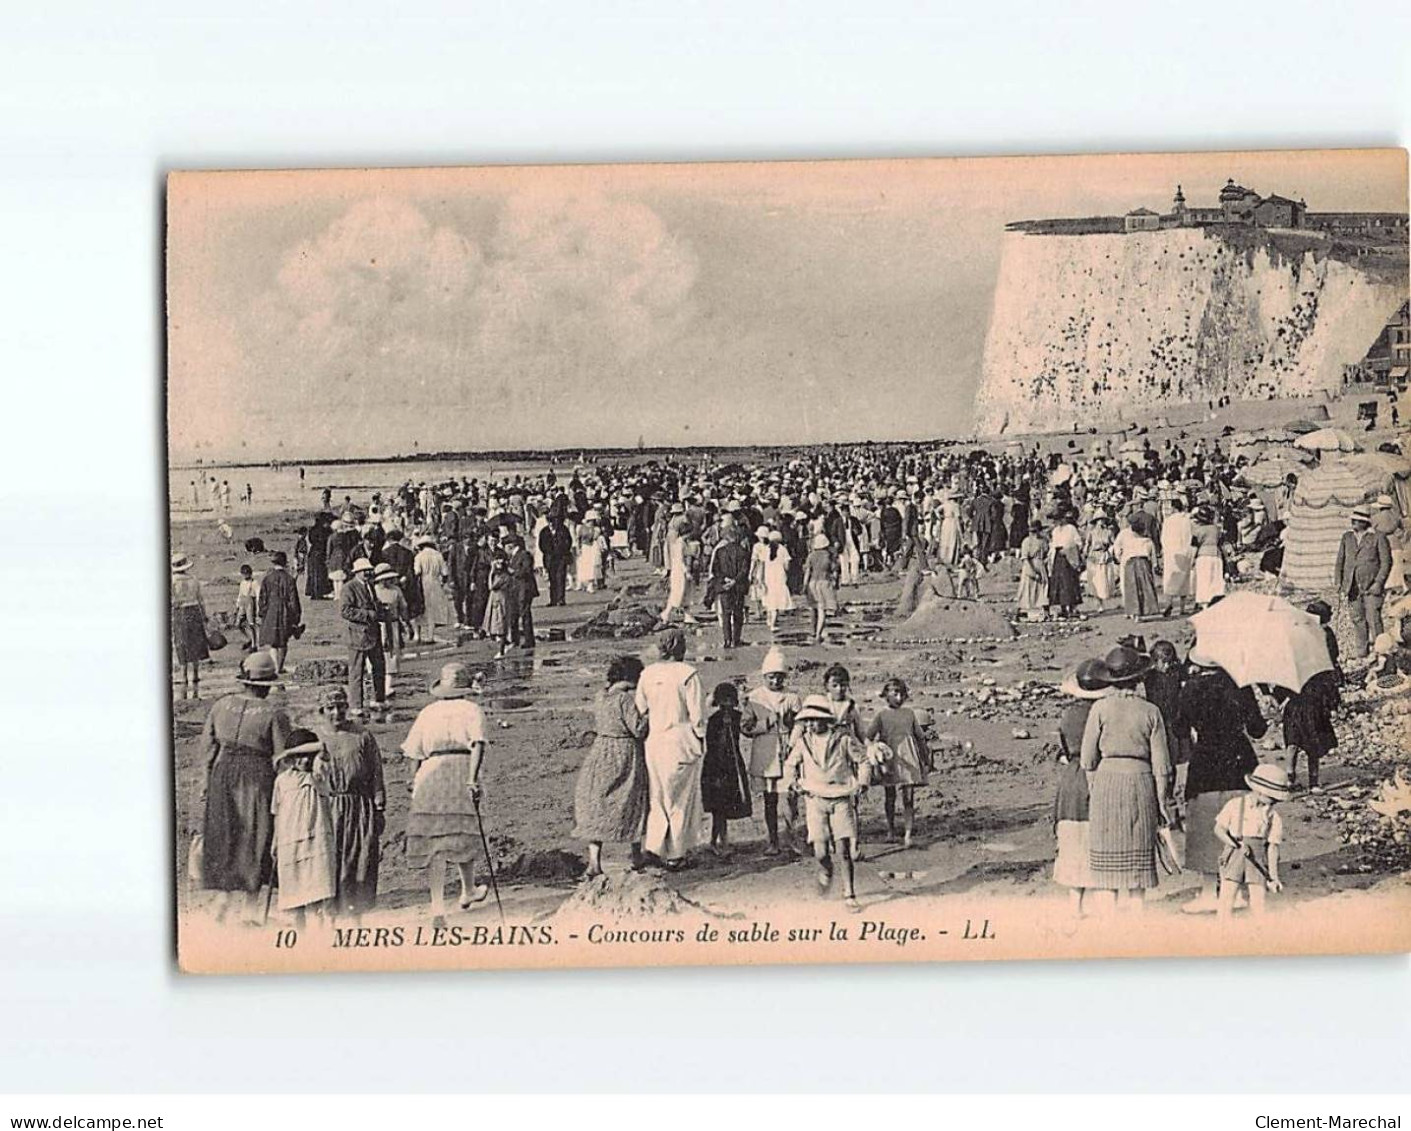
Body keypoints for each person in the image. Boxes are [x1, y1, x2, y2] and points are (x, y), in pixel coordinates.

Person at [199, 651, 292, 924]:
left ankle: (223, 900)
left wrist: (206, 780)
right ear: (267, 685)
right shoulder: (274, 714)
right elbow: (282, 758)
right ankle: (250, 906)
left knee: (225, 832)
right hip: (256, 777)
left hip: (223, 772)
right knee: (256, 834)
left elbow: (207, 747)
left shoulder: (221, 705)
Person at [1080, 645, 1174, 914]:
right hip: (1140, 782)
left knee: (1106, 864)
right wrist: (1162, 803)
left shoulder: (1099, 708)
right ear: (1140, 678)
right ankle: (1135, 925)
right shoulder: (1150, 711)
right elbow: (1162, 767)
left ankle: (1106, 930)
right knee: (1137, 866)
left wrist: (1095, 788)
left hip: (1107, 782)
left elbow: (1087, 760)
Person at [1178, 643, 1267, 913]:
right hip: (1237, 757)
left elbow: (1179, 727)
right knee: (1239, 821)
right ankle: (1237, 888)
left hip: (1205, 759)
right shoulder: (1239, 687)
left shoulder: (1190, 689)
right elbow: (1257, 729)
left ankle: (1208, 891)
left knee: (1206, 821)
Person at [402, 662, 491, 923]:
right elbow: (477, 744)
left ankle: (439, 906)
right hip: (460, 769)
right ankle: (467, 889)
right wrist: (473, 779)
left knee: (436, 842)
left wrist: (413, 779)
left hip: (430, 772)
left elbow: (413, 751)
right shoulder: (471, 709)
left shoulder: (428, 712)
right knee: (463, 830)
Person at [634, 628, 707, 870]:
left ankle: (654, 847)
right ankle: (676, 852)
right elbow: (697, 715)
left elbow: (641, 708)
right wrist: (700, 738)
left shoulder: (647, 673)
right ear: (677, 646)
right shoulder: (688, 674)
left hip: (655, 743)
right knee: (681, 799)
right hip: (681, 741)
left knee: (658, 796)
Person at [572, 656, 650, 877]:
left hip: (601, 750)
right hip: (624, 751)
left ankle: (594, 862)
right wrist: (649, 714)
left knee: (597, 802)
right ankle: (636, 855)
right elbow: (638, 729)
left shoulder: (601, 696)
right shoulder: (624, 700)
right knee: (632, 799)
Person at [784, 694, 864, 909]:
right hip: (815, 799)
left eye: (815, 719)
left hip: (840, 797)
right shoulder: (804, 742)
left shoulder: (844, 739)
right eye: (807, 720)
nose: (810, 724)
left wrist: (862, 782)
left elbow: (863, 760)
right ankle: (826, 869)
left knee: (843, 849)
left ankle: (849, 893)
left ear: (826, 719)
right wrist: (793, 782)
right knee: (820, 851)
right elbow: (790, 764)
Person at [314, 687, 385, 919]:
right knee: (330, 858)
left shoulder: (362, 735)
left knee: (360, 856)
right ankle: (330, 913)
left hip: (359, 806)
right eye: (330, 708)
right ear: (322, 711)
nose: (337, 713)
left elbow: (376, 772)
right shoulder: (316, 739)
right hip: (329, 807)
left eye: (341, 707)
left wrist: (379, 804)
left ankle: (356, 913)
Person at [1052, 658, 1106, 917]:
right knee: (1101, 836)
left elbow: (1064, 748)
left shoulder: (1069, 715)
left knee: (1072, 839)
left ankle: (1075, 905)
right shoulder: (1105, 712)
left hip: (1072, 778)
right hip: (1100, 776)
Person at [269, 727, 337, 925]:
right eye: (299, 756)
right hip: (290, 842)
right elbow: (277, 813)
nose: (305, 761)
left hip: (317, 840)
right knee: (294, 898)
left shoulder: (319, 776)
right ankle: (299, 940)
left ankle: (321, 939)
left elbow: (322, 747)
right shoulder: (282, 781)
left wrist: (286, 752)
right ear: (292, 761)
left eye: (308, 756)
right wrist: (276, 841)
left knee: (319, 896)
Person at [742, 647, 802, 855]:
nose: (775, 682)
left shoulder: (792, 698)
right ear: (764, 676)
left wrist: (793, 742)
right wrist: (765, 723)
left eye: (779, 677)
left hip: (787, 751)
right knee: (770, 799)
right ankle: (773, 840)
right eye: (771, 677)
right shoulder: (755, 698)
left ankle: (791, 836)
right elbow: (746, 728)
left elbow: (801, 725)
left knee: (790, 796)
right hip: (765, 753)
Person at [1213, 763, 1290, 918]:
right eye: (1272, 798)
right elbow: (1218, 829)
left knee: (1258, 901)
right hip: (1234, 854)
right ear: (1259, 792)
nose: (1274, 803)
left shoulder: (1274, 817)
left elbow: (1273, 848)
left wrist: (1273, 877)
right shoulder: (1235, 805)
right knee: (1227, 898)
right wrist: (1234, 844)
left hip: (1258, 859)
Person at [866, 677, 930, 848]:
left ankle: (908, 834)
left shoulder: (909, 714)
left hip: (909, 757)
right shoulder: (881, 715)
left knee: (908, 797)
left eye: (902, 694)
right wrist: (876, 752)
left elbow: (920, 737)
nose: (899, 698)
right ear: (886, 695)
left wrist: (925, 758)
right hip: (891, 760)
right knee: (890, 796)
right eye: (895, 694)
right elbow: (868, 737)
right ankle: (890, 830)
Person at [702, 682, 752, 857]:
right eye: (724, 700)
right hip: (716, 766)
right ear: (718, 701)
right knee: (718, 807)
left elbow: (748, 730)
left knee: (725, 805)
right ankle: (720, 843)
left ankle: (718, 841)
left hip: (732, 766)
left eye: (730, 699)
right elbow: (711, 744)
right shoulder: (714, 720)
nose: (727, 704)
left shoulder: (738, 717)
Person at [1336, 506, 1392, 659]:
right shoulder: (1347, 537)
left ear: (1365, 522)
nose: (1353, 522)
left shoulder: (1378, 537)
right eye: (1353, 519)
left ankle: (1382, 653)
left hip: (1371, 586)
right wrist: (1339, 582)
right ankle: (1362, 652)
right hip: (1352, 586)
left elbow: (1386, 562)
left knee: (1374, 618)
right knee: (1357, 618)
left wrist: (1379, 583)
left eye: (1357, 520)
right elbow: (1340, 560)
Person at [339, 557, 387, 722]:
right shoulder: (349, 588)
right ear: (356, 572)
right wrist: (368, 614)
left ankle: (379, 699)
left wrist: (381, 609)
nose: (367, 573)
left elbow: (373, 605)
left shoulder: (370, 585)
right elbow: (345, 611)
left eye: (369, 570)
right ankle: (356, 705)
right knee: (357, 672)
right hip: (357, 635)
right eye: (364, 571)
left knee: (379, 667)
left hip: (374, 633)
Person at [707, 514, 751, 650]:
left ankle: (727, 640)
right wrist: (735, 581)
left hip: (724, 586)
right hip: (738, 586)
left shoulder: (720, 552)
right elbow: (745, 571)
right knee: (738, 613)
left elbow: (715, 570)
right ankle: (736, 639)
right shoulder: (743, 552)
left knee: (726, 613)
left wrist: (724, 579)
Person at [170, 552, 209, 700]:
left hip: (180, 612)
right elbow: (201, 599)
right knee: (196, 643)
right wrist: (204, 615)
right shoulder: (194, 579)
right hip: (194, 611)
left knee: (182, 643)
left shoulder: (172, 581)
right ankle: (196, 674)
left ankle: (184, 675)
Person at [256, 550, 302, 674]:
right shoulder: (289, 579)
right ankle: (279, 667)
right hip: (285, 611)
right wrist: (296, 616)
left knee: (273, 642)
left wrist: (262, 612)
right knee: (283, 641)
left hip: (271, 610)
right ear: (285, 563)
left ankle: (276, 666)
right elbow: (294, 600)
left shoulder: (267, 579)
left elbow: (262, 598)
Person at [372, 562, 409, 700]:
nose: (387, 581)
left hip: (393, 625)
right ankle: (378, 684)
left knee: (392, 654)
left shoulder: (396, 590)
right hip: (377, 625)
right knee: (378, 653)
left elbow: (403, 607)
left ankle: (388, 685)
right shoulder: (373, 590)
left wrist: (406, 623)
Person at [1114, 512, 1161, 620]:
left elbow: (1117, 548)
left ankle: (1133, 612)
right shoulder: (1147, 541)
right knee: (1145, 588)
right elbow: (1153, 556)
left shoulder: (1125, 535)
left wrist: (1119, 557)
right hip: (1143, 563)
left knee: (1131, 588)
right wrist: (1155, 565)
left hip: (1129, 563)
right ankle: (1144, 610)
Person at [412, 534, 452, 644]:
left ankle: (418, 634)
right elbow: (445, 572)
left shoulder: (419, 556)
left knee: (422, 608)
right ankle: (430, 635)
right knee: (433, 609)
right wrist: (442, 583)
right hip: (435, 582)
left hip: (423, 582)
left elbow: (417, 572)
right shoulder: (438, 555)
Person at [1160, 497, 1195, 617]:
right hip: (1185, 550)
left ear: (1173, 508)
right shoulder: (1187, 520)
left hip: (1171, 553)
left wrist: (1165, 550)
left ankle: (1168, 603)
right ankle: (1182, 607)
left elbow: (1163, 538)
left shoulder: (1168, 521)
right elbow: (1191, 536)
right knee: (1184, 579)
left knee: (1169, 578)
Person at [802, 532, 839, 644]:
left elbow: (807, 572)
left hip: (812, 583)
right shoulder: (829, 556)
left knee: (813, 608)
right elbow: (835, 571)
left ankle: (813, 630)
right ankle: (818, 633)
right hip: (824, 582)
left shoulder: (811, 556)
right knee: (822, 610)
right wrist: (836, 583)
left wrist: (804, 585)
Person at [1047, 510, 1084, 619]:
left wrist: (1069, 550)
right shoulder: (1055, 531)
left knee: (1070, 583)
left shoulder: (1071, 529)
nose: (1058, 522)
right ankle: (1063, 609)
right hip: (1057, 557)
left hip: (1069, 558)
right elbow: (1053, 545)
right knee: (1059, 583)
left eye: (1059, 519)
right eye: (1056, 520)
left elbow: (1079, 543)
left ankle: (1072, 608)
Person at [507, 533, 539, 649]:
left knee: (524, 614)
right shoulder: (514, 556)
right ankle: (515, 639)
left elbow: (527, 570)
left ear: (512, 545)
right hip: (516, 589)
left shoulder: (524, 555)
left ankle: (529, 640)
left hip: (524, 588)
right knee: (514, 614)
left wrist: (513, 572)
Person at [757, 530, 793, 633]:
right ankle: (773, 623)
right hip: (779, 577)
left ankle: (769, 619)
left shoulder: (765, 549)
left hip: (768, 577)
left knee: (769, 599)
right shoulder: (783, 549)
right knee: (777, 601)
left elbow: (762, 564)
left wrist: (761, 578)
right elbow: (787, 565)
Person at [1190, 505, 1226, 609]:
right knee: (1216, 579)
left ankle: (1205, 604)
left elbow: (1195, 547)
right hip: (1216, 555)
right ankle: (1216, 600)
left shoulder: (1198, 531)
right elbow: (1221, 544)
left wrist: (1192, 560)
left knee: (1203, 580)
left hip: (1203, 556)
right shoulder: (1217, 529)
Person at [538, 510, 574, 607]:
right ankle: (553, 599)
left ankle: (561, 599)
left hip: (561, 557)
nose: (552, 523)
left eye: (554, 521)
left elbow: (568, 542)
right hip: (550, 558)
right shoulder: (544, 531)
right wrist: (549, 551)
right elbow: (541, 545)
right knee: (552, 579)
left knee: (561, 577)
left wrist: (562, 550)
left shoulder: (563, 530)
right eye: (550, 521)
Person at [1017, 519, 1049, 621]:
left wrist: (1045, 563)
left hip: (1041, 564)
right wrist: (1031, 571)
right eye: (1032, 532)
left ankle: (1041, 610)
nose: (1034, 534)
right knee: (1027, 588)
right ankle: (1025, 610)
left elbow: (1047, 554)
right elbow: (1025, 558)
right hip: (1030, 565)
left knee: (1041, 588)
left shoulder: (1043, 541)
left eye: (1036, 531)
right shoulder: (1027, 541)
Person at [234, 563, 259, 651]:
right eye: (244, 573)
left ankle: (254, 644)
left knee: (251, 624)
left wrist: (258, 607)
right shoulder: (242, 583)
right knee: (239, 624)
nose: (245, 575)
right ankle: (249, 639)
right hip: (243, 603)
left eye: (247, 573)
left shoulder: (254, 583)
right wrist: (237, 606)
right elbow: (240, 594)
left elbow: (258, 595)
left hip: (250, 603)